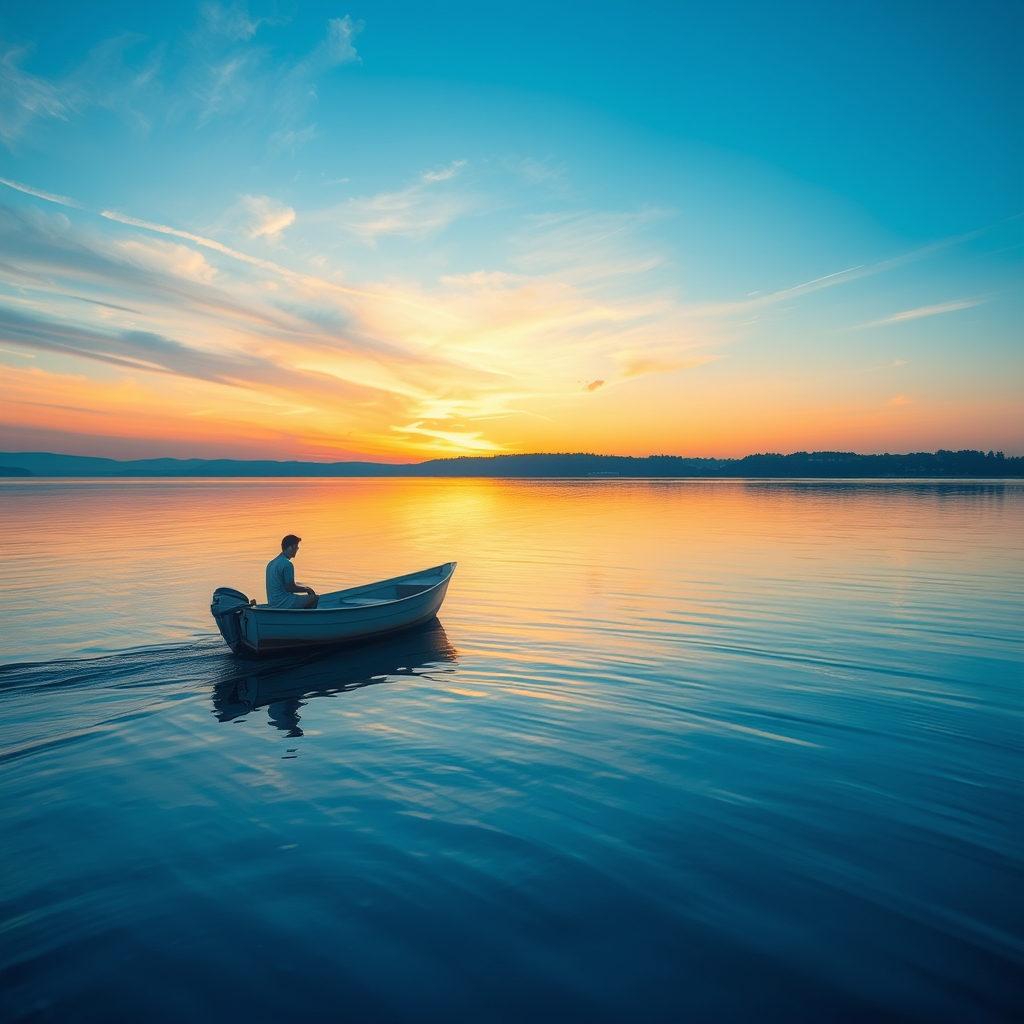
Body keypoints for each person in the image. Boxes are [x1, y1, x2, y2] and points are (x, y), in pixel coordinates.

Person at [266, 534, 318, 608]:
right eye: (296, 547)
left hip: (273, 602)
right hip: (283, 602)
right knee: (315, 598)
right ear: (290, 548)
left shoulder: (271, 563)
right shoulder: (287, 564)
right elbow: (290, 587)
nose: (297, 549)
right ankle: (307, 617)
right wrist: (307, 589)